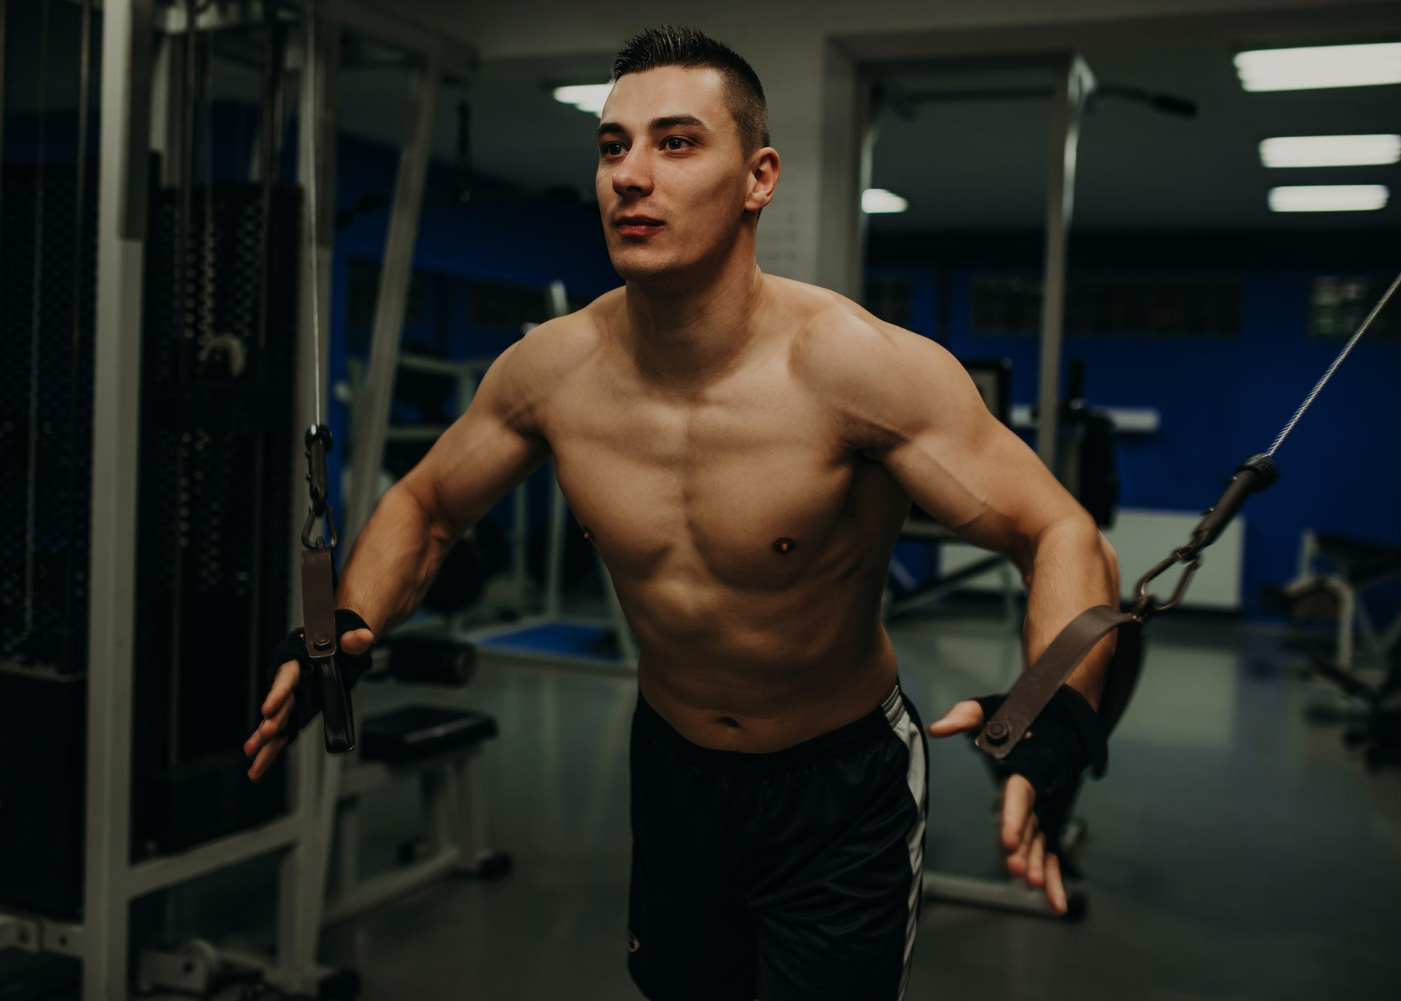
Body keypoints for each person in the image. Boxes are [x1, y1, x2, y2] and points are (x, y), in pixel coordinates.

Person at [244, 25, 1120, 1001]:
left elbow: (1060, 530)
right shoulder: (552, 369)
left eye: (676, 142)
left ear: (759, 177)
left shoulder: (857, 368)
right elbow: (428, 501)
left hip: (840, 788)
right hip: (672, 773)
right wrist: (342, 626)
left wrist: (1047, 724)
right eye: (613, 146)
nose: (630, 175)